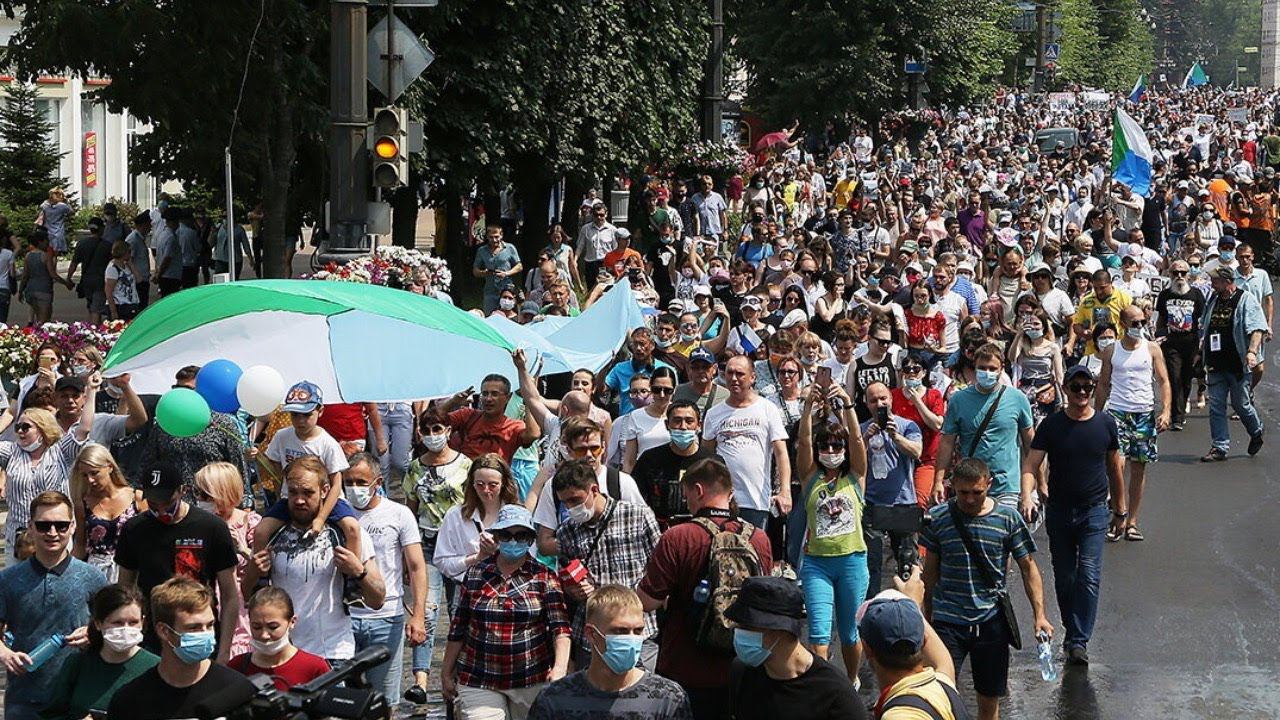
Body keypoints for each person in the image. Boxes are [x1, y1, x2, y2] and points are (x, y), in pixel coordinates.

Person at [637, 458, 772, 720]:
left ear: (698, 490)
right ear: (730, 492)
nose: (686, 502)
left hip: (685, 666)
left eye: (686, 495)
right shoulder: (759, 538)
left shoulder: (678, 537)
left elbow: (648, 601)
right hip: (742, 666)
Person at [921, 459, 1052, 720]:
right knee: (940, 694)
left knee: (989, 698)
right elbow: (930, 572)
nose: (969, 499)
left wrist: (1040, 616)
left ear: (989, 485)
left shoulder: (1007, 519)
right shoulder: (937, 519)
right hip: (949, 621)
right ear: (952, 486)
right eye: (963, 493)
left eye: (977, 493)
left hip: (991, 622)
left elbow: (1028, 568)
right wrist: (926, 615)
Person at [1020, 366, 1123, 666]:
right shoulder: (1051, 425)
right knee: (1065, 578)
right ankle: (1071, 629)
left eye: (1087, 387)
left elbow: (1115, 468)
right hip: (1060, 511)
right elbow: (1031, 464)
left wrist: (1121, 510)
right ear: (1065, 389)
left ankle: (1078, 640)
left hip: (1094, 511)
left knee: (1089, 574)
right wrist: (1028, 494)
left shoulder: (1106, 424)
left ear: (1093, 390)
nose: (1081, 392)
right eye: (1075, 387)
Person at [240, 456, 384, 663]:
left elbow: (377, 599)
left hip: (332, 654)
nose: (299, 500)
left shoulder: (346, 534)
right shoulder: (272, 534)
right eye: (293, 492)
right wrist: (253, 573)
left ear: (325, 491)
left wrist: (358, 573)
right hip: (281, 655)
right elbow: (247, 596)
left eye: (307, 493)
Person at [442, 504, 571, 720]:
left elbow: (561, 629)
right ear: (497, 537)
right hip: (479, 678)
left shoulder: (545, 577)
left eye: (521, 536)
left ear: (530, 540)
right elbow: (458, 628)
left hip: (531, 678)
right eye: (506, 535)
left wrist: (559, 668)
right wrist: (446, 671)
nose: (513, 541)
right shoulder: (475, 574)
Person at [115, 464, 241, 660]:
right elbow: (125, 588)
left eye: (168, 502)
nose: (162, 510)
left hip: (199, 635)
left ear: (183, 490)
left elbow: (230, 594)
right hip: (152, 640)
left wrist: (224, 650)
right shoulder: (134, 529)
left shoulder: (212, 527)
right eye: (154, 505)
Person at [0, 492, 107, 720]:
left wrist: (94, 634)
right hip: (24, 700)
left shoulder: (93, 577)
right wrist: (5, 654)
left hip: (77, 701)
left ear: (72, 526)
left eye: (60, 525)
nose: (52, 533)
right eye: (43, 525)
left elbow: (114, 628)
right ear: (30, 526)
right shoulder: (8, 580)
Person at [791, 380, 869, 685]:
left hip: (851, 561)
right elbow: (805, 440)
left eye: (837, 446)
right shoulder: (811, 477)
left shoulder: (855, 477)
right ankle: (823, 688)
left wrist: (848, 406)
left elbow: (858, 442)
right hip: (817, 565)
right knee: (819, 633)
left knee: (850, 632)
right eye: (826, 446)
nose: (831, 450)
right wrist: (809, 406)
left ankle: (851, 681)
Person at [551, 459, 661, 669]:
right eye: (565, 503)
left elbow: (660, 570)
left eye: (575, 500)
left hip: (638, 633)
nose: (571, 508)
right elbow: (564, 577)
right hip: (593, 638)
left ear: (594, 489)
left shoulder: (638, 516)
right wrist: (575, 590)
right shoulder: (567, 532)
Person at [526, 584, 692, 720]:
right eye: (620, 631)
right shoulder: (554, 699)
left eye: (638, 631)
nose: (631, 639)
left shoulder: (668, 699)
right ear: (591, 634)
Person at [105, 576, 256, 720]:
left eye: (209, 625)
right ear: (164, 631)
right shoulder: (130, 700)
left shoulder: (236, 691)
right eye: (194, 628)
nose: (205, 634)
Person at [345, 452, 429, 702]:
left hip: (386, 618)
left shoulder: (399, 514)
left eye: (361, 482)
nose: (355, 488)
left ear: (378, 483)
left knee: (384, 701)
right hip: (344, 619)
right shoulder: (338, 514)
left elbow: (416, 567)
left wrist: (418, 615)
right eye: (349, 482)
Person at [723, 576, 868, 720]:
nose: (738, 632)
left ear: (778, 630)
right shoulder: (741, 673)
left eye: (746, 626)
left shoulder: (836, 696)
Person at [1095, 304, 1171, 542]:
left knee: (1139, 468)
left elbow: (1163, 381)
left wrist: (1166, 410)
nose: (1140, 326)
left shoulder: (1152, 349)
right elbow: (1103, 384)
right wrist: (1096, 414)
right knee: (1116, 464)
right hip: (1117, 412)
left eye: (1142, 322)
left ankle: (1132, 522)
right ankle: (1119, 512)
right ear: (1123, 324)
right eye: (1135, 323)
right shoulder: (1111, 351)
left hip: (1143, 413)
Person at [931, 344, 1034, 507]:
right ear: (975, 368)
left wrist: (1033, 488)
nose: (987, 372)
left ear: (1001, 369)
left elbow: (1031, 445)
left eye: (992, 368)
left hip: (1006, 486)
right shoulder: (958, 400)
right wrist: (938, 481)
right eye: (982, 368)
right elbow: (947, 443)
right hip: (969, 486)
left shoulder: (1017, 399)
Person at [40, 583, 159, 720]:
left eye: (133, 622)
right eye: (117, 623)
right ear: (98, 623)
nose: (126, 629)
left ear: (142, 622)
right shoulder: (78, 664)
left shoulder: (155, 667)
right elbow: (51, 714)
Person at [702, 356, 792, 529]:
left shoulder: (767, 409)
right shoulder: (713, 414)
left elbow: (781, 454)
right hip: (721, 502)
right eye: (730, 373)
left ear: (753, 377)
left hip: (756, 501)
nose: (734, 378)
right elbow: (707, 458)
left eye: (740, 374)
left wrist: (785, 491)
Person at [1, 397, 96, 560]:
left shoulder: (60, 451)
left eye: (26, 427)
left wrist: (91, 391)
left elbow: (84, 429)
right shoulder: (11, 451)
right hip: (19, 537)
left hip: (55, 533)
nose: (20, 431)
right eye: (18, 427)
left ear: (42, 429)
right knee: (16, 583)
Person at [857, 578, 965, 720]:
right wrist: (911, 606)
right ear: (924, 640)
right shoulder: (943, 684)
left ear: (867, 648)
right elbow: (941, 658)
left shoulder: (900, 715)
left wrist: (912, 605)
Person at [861, 381, 924, 594]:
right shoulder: (862, 429)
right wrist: (866, 438)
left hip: (903, 502)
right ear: (866, 403)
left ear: (891, 399)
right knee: (871, 564)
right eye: (873, 400)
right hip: (872, 504)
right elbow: (852, 461)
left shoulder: (907, 426)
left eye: (883, 398)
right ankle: (870, 610)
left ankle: (911, 610)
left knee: (907, 563)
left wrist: (895, 436)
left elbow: (916, 451)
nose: (879, 403)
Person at [1199, 266, 1267, 461]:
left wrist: (1252, 352)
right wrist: (1200, 351)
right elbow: (1204, 325)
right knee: (1216, 406)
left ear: (1227, 281)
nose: (1212, 284)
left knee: (1241, 405)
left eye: (1215, 281)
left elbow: (1257, 328)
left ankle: (1256, 431)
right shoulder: (1213, 299)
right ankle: (1219, 446)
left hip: (1237, 364)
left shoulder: (1245, 299)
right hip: (1215, 363)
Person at [192, 462, 260, 657]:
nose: (200, 500)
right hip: (202, 600)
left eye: (205, 495)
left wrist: (242, 548)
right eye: (197, 493)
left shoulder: (250, 523)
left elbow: (264, 566)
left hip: (239, 607)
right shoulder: (197, 523)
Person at [631, 400, 717, 527]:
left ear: (699, 425)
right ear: (667, 425)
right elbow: (636, 499)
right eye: (677, 421)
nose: (683, 427)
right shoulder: (650, 458)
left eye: (689, 421)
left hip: (701, 530)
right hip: (659, 529)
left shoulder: (712, 462)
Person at [228, 586, 330, 691]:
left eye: (273, 627)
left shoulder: (315, 668)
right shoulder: (236, 666)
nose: (264, 635)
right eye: (256, 627)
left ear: (292, 622)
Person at [431, 372, 540, 463]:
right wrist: (452, 402)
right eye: (485, 394)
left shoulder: (513, 426)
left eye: (494, 394)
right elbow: (432, 420)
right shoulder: (467, 416)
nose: (488, 399)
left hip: (496, 482)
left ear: (508, 398)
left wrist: (529, 399)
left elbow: (533, 434)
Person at [70, 443, 140, 582]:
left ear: (109, 467)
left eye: (94, 472)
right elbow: (80, 546)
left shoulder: (136, 497)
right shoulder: (83, 504)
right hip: (95, 571)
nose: (90, 480)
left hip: (130, 569)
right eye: (84, 475)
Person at [1154, 259, 1205, 431]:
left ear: (1188, 275)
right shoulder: (1165, 295)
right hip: (1172, 342)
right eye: (1176, 273)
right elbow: (1160, 318)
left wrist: (1202, 344)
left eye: (1183, 273)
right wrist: (1158, 337)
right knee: (1174, 377)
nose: (1179, 276)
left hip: (1191, 342)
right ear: (1170, 274)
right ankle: (1177, 416)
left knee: (1186, 378)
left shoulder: (1196, 295)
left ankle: (1181, 408)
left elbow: (1202, 320)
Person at [891, 357, 946, 510]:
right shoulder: (893, 396)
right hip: (900, 459)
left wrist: (917, 401)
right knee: (898, 503)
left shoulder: (933, 395)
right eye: (907, 370)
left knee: (921, 502)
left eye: (916, 369)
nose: (912, 373)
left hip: (926, 460)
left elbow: (937, 424)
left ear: (924, 373)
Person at [620, 366, 677, 472]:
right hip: (645, 477)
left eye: (667, 390)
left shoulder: (680, 415)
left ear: (675, 390)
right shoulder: (635, 416)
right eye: (657, 389)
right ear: (650, 388)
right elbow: (629, 460)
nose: (662, 395)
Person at [473, 224, 524, 314]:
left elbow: (519, 266)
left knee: (508, 316)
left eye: (497, 237)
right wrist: (484, 273)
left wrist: (507, 273)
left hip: (507, 290)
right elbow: (475, 271)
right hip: (490, 291)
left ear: (501, 235)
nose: (494, 240)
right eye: (491, 237)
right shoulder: (482, 250)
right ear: (487, 237)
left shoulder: (509, 248)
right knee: (490, 317)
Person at [672, 346, 730, 420]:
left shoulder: (726, 396)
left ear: (714, 369)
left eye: (705, 367)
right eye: (696, 367)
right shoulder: (678, 392)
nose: (700, 371)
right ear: (689, 369)